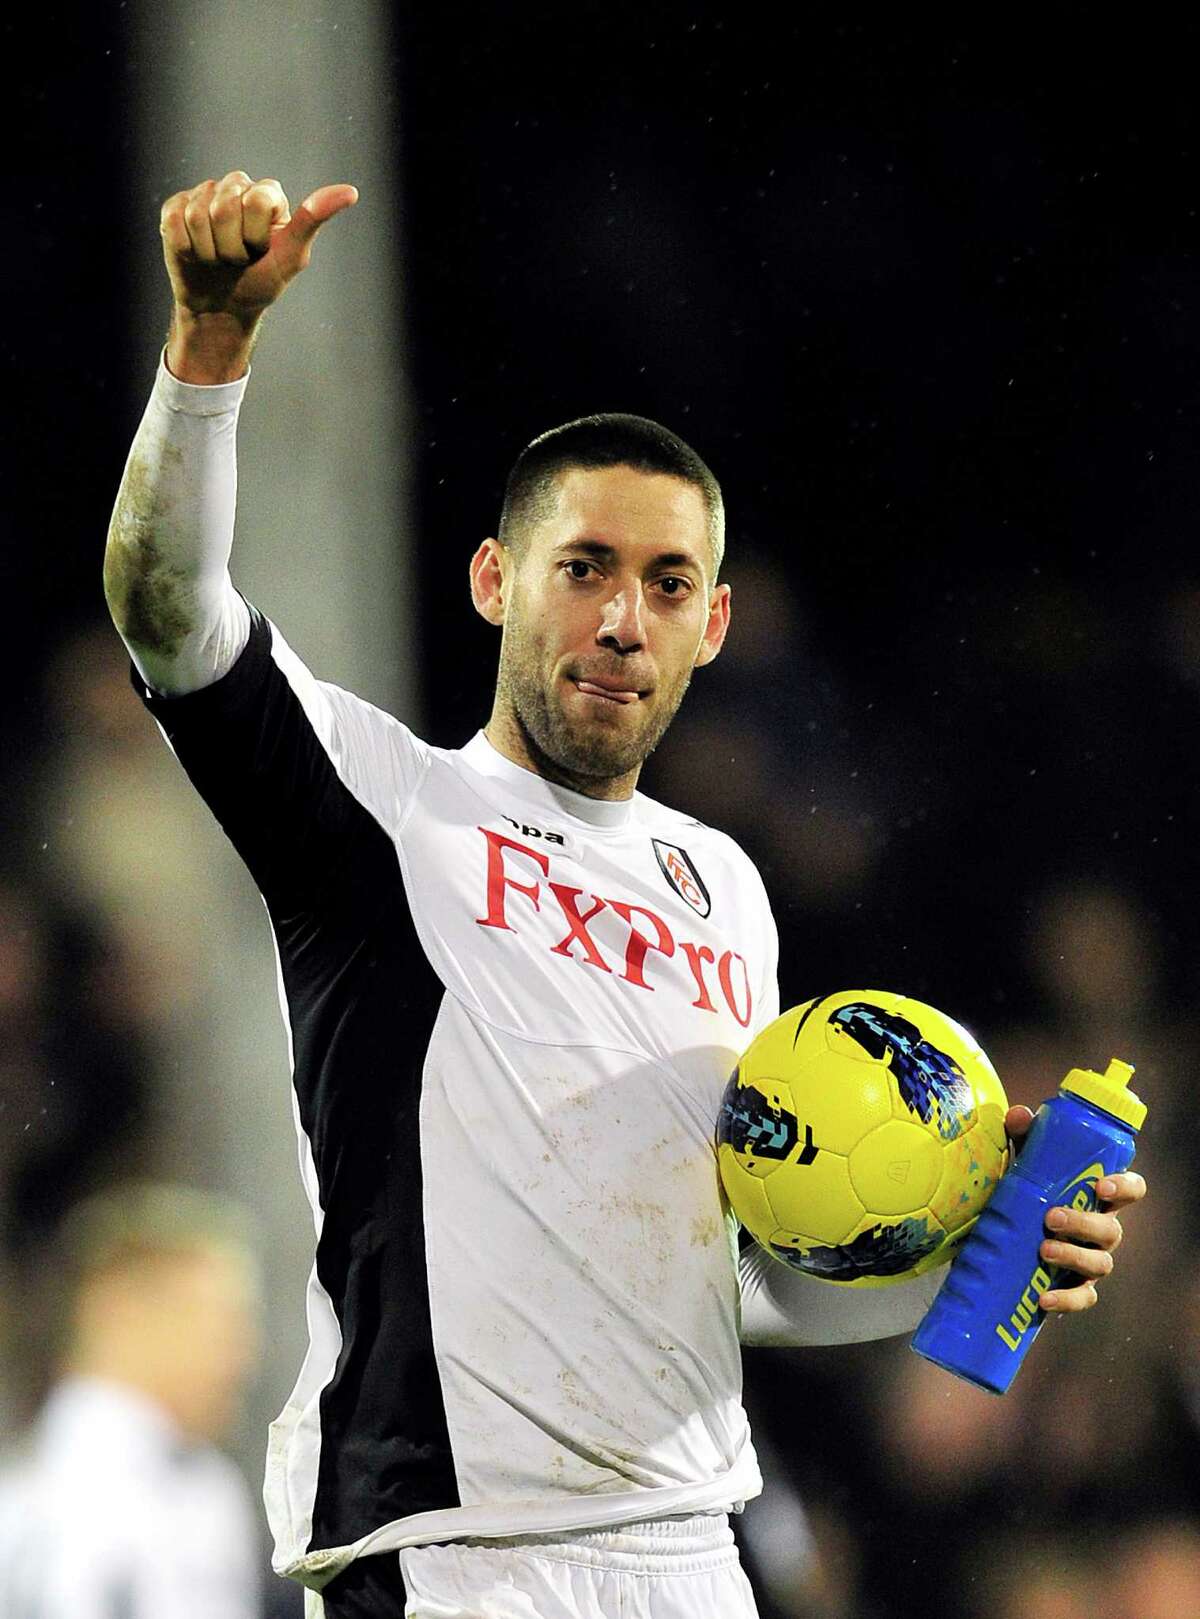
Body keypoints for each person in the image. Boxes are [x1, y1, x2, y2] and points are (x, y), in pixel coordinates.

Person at [102, 170, 1147, 1619]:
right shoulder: (378, 807)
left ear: (714, 623)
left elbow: (729, 1271)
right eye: (582, 566)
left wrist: (960, 1250)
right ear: (493, 580)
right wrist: (208, 355)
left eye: (667, 583)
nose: (620, 618)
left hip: (694, 1546)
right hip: (462, 1549)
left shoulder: (719, 883)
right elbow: (168, 605)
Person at [0, 1182, 263, 1618]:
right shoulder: (52, 1502)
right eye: (220, 1325)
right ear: (123, 1314)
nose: (242, 1358)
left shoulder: (204, 1484)